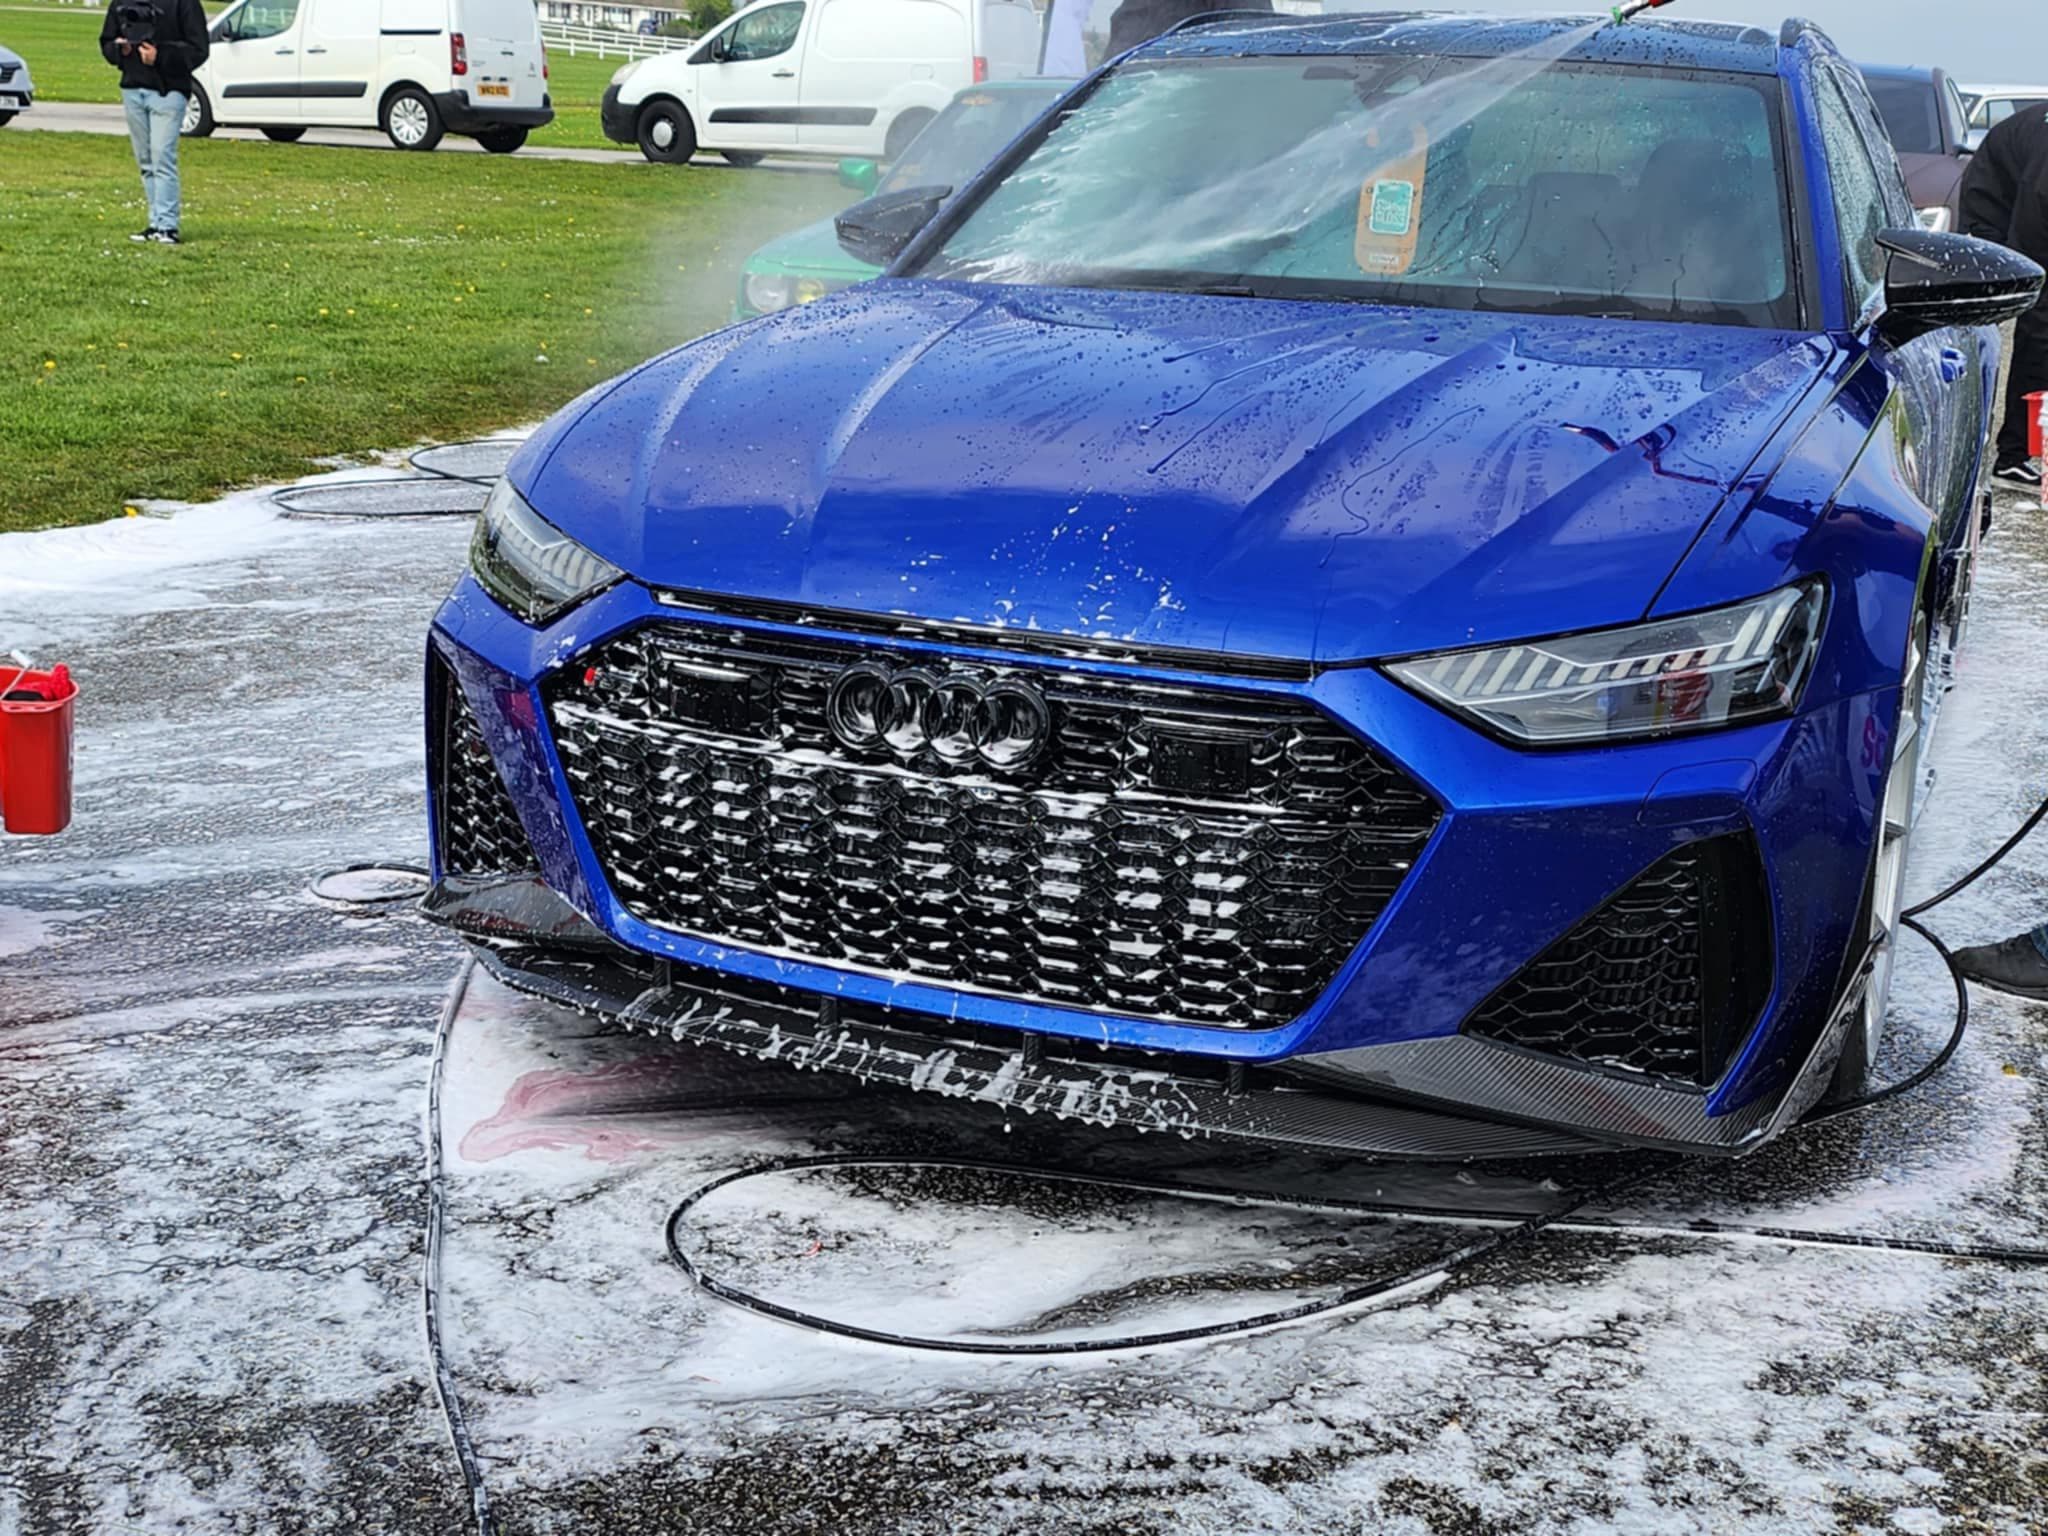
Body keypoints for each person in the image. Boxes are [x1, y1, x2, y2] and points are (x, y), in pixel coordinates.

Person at [1958, 102, 2048, 488]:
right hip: (1995, 210)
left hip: (2027, 198)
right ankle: (2014, 454)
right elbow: (2033, 246)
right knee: (2037, 329)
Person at [99, 0, 208, 246]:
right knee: (146, 159)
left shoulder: (184, 3)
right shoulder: (122, 3)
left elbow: (199, 49)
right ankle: (155, 222)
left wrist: (161, 56)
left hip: (167, 92)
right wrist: (121, 51)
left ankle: (168, 226)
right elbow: (106, 40)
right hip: (133, 89)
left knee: (162, 156)